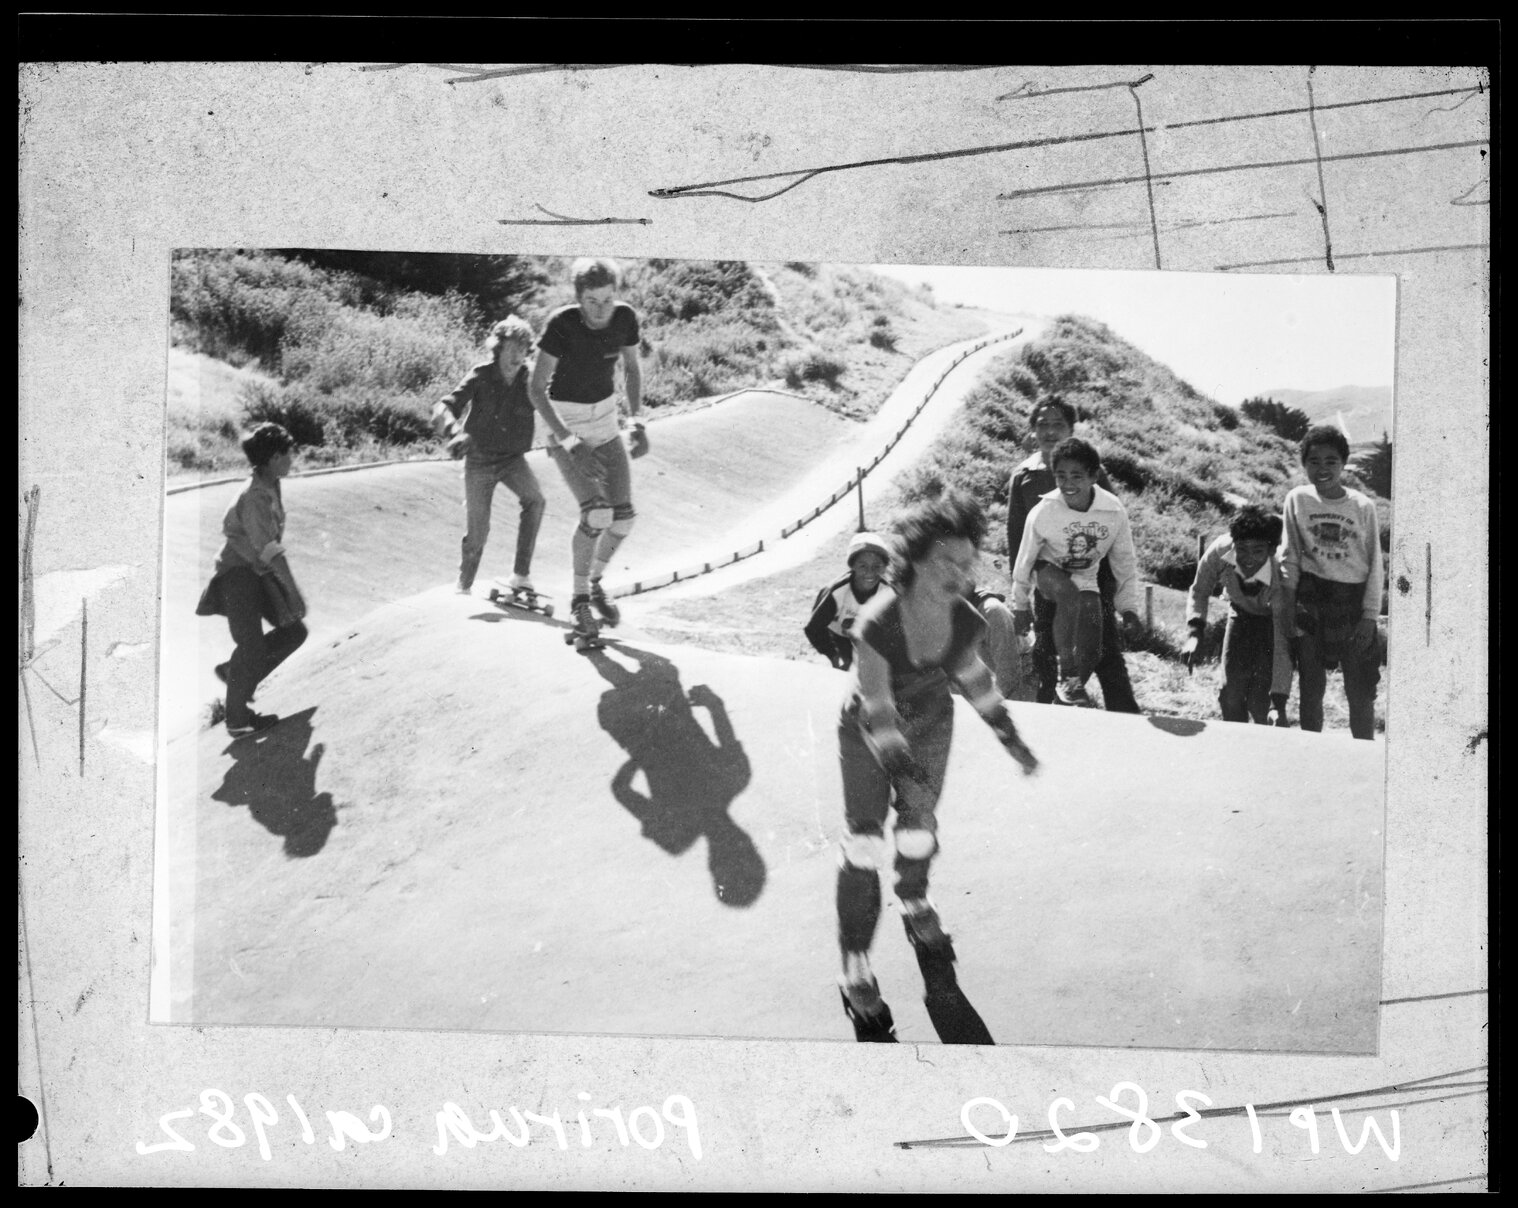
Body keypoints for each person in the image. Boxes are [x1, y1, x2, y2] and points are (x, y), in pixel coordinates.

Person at [835, 492, 1038, 1037]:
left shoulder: (963, 617)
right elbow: (876, 706)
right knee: (863, 844)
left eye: (967, 562)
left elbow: (974, 679)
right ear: (915, 560)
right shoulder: (879, 620)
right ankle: (854, 965)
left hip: (928, 721)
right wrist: (898, 764)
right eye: (947, 561)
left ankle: (914, 895)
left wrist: (1009, 736)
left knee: (919, 832)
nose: (960, 572)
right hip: (868, 732)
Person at [528, 257, 648, 644]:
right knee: (597, 514)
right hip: (564, 421)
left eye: (608, 300)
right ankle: (578, 601)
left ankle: (593, 581)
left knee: (623, 518)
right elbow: (536, 389)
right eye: (592, 301)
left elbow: (631, 369)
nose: (601, 310)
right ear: (578, 299)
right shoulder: (562, 325)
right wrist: (568, 441)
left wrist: (637, 421)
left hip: (605, 419)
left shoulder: (625, 318)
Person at [1006, 395, 1141, 712]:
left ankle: (1123, 713)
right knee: (1045, 648)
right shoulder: (1023, 475)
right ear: (1032, 431)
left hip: (1091, 572)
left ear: (1071, 429)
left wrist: (1115, 591)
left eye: (1058, 425)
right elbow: (1018, 539)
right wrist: (1020, 598)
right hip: (1045, 573)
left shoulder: (1092, 470)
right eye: (1042, 425)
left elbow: (1106, 527)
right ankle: (1048, 709)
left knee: (1103, 644)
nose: (1050, 432)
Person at [194, 422, 308, 738]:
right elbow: (270, 550)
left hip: (255, 573)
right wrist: (293, 592)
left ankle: (236, 673)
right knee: (252, 646)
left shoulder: (270, 482)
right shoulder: (256, 495)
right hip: (237, 576)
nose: (292, 457)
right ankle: (237, 720)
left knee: (293, 631)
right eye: (288, 452)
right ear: (273, 457)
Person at [1279, 425, 1383, 740]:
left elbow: (1375, 564)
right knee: (1311, 686)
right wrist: (1287, 608)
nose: (1322, 469)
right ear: (1303, 463)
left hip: (1351, 601)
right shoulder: (1297, 499)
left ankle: (1363, 756)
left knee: (1360, 689)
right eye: (1314, 461)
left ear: (1343, 463)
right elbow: (1290, 556)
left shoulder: (1362, 506)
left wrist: (1369, 616)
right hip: (1311, 597)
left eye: (1331, 461)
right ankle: (1312, 755)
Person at [431, 315, 546, 598]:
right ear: (498, 349)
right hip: (479, 459)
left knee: (535, 500)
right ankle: (464, 586)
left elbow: (551, 404)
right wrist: (452, 431)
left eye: (522, 350)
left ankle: (520, 575)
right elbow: (444, 407)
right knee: (479, 532)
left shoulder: (530, 379)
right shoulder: (481, 375)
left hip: (512, 460)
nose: (517, 356)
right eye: (511, 349)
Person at [1183, 504, 1295, 725]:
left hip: (1272, 622)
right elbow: (1199, 591)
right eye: (1241, 549)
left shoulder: (1282, 573)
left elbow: (1282, 644)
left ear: (1271, 550)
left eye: (1258, 551)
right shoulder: (1220, 550)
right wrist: (1194, 633)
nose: (1248, 559)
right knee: (1229, 695)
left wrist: (1278, 703)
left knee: (1260, 701)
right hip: (1240, 614)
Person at [804, 531, 891, 671]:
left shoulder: (888, 593)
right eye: (863, 566)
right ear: (853, 566)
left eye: (877, 567)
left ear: (884, 568)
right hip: (839, 637)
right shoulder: (837, 592)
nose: (870, 573)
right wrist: (832, 655)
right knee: (845, 670)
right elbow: (814, 629)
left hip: (868, 639)